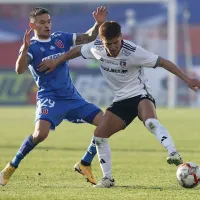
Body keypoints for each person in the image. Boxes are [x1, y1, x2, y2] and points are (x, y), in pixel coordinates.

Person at [38, 20, 200, 188]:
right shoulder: (97, 48)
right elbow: (78, 50)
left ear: (121, 37)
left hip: (140, 94)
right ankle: (107, 179)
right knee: (100, 135)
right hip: (121, 100)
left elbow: (163, 62)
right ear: (102, 41)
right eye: (110, 44)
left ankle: (173, 152)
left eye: (116, 42)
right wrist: (56, 61)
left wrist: (188, 80)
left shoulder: (134, 52)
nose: (114, 47)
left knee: (150, 122)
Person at [0, 6, 108, 186]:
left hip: (72, 98)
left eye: (48, 21)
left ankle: (85, 163)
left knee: (105, 123)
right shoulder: (31, 47)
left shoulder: (61, 38)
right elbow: (19, 70)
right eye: (42, 22)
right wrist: (25, 48)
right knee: (40, 135)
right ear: (32, 25)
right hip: (50, 98)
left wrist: (97, 24)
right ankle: (10, 167)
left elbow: (88, 37)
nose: (47, 25)